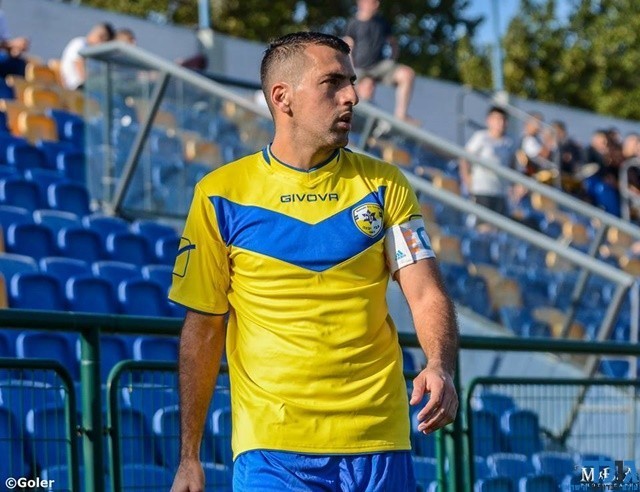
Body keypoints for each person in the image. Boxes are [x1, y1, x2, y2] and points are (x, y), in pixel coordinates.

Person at [169, 31, 458, 492]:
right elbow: (203, 328)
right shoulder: (220, 195)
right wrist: (189, 455)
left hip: (378, 442)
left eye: (352, 82)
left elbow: (425, 292)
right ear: (282, 97)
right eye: (333, 82)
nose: (352, 96)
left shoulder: (385, 185)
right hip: (273, 451)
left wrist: (440, 364)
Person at [343, 0, 419, 124]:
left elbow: (393, 43)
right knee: (364, 92)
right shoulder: (353, 23)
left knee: (407, 74)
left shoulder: (382, 22)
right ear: (362, 3)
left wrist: (391, 60)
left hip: (379, 66)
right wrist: (351, 71)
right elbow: (348, 47)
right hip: (359, 69)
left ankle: (401, 114)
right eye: (373, 2)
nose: (377, 4)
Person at [459, 105, 516, 216]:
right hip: (482, 189)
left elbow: (512, 164)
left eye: (503, 119)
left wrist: (512, 186)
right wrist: (467, 180)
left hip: (500, 191)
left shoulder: (510, 142)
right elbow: (464, 158)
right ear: (489, 120)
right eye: (497, 119)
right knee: (484, 223)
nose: (501, 123)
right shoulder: (481, 137)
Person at [60, 22, 115, 90]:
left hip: (89, 87)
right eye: (101, 37)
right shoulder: (80, 43)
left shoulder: (94, 52)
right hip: (77, 87)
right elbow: (79, 65)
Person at [0, 0, 29, 77]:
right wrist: (12, 44)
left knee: (20, 64)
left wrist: (15, 50)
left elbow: (6, 42)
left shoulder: (1, 16)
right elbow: (8, 44)